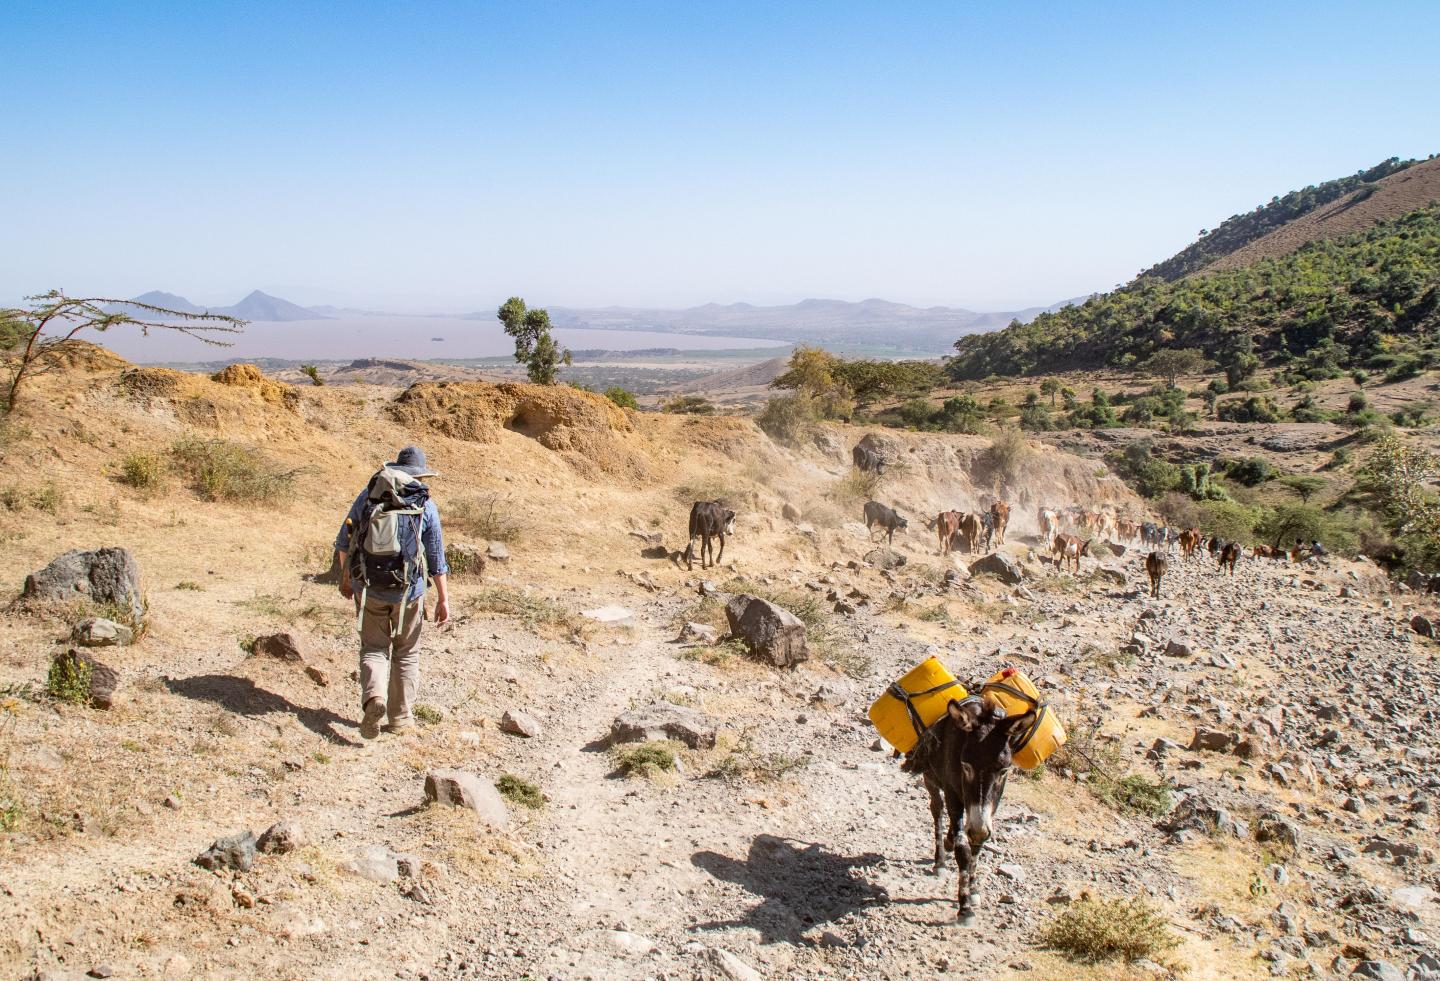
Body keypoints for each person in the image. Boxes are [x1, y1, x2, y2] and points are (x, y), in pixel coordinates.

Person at [334, 446, 450, 738]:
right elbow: (436, 558)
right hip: (408, 592)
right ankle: (400, 718)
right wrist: (443, 598)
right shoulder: (424, 503)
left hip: (369, 588)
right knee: (406, 653)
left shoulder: (370, 494)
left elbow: (344, 540)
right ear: (420, 475)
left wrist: (348, 579)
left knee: (373, 648)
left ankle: (375, 698)